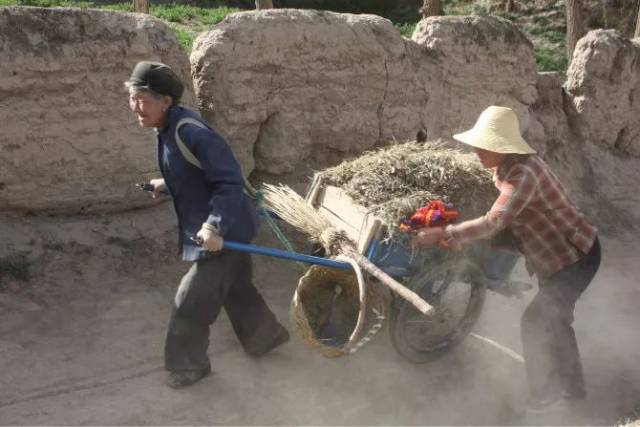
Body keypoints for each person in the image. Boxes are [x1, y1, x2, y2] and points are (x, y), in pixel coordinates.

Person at [412, 106, 601, 413]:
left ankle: (545, 393)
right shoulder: (503, 170)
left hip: (575, 257)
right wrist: (461, 237)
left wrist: (443, 232)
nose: (476, 150)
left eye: (483, 145)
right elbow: (509, 226)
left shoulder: (524, 175)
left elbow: (493, 222)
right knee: (557, 320)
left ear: (502, 147)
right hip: (551, 258)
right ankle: (572, 389)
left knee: (540, 319)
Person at [125, 61, 289, 389]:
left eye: (142, 98)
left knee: (191, 301)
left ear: (166, 102)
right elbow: (195, 175)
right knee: (237, 288)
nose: (135, 106)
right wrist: (167, 182)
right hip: (226, 227)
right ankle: (265, 337)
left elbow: (228, 182)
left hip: (224, 231)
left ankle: (189, 366)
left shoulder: (190, 132)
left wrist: (214, 226)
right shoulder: (168, 127)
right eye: (132, 97)